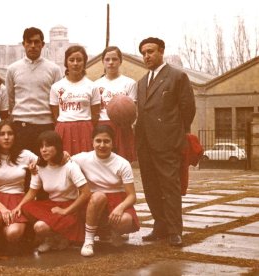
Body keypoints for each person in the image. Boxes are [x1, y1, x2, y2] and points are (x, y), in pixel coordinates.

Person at [135, 37, 195, 246]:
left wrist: (175, 135)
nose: (146, 56)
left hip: (168, 143)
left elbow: (188, 109)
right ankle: (159, 226)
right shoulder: (142, 82)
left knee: (170, 187)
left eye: (150, 51)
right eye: (143, 53)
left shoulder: (177, 77)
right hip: (145, 145)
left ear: (161, 52)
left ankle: (174, 230)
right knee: (151, 187)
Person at [14, 130, 91, 253]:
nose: (43, 149)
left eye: (48, 145)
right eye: (41, 146)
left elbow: (86, 193)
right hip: (51, 206)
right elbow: (32, 192)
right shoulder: (39, 167)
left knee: (39, 227)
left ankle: (59, 237)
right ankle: (53, 238)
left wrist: (66, 211)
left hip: (70, 208)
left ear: (58, 146)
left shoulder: (70, 166)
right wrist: (18, 206)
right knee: (26, 206)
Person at [72, 125, 140, 257]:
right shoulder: (82, 158)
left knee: (125, 220)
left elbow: (132, 196)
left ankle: (112, 233)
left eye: (106, 141)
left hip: (117, 201)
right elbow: (63, 160)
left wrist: (120, 208)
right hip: (94, 202)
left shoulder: (122, 163)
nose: (102, 145)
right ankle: (89, 240)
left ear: (113, 143)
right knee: (98, 196)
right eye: (98, 141)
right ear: (92, 142)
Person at [0, 120, 38, 255]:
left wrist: (64, 155)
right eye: (2, 134)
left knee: (13, 234)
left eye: (10, 134)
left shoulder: (26, 155)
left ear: (15, 136)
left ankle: (6, 240)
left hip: (18, 200)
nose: (6, 137)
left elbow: (48, 160)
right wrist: (2, 209)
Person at [6, 27, 62, 155]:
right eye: (29, 42)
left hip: (46, 126)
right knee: (22, 166)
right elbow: (10, 99)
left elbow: (58, 99)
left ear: (42, 45)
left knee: (45, 164)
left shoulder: (54, 69)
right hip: (21, 126)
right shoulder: (13, 69)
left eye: (37, 42)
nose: (33, 46)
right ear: (23, 44)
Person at [50, 45, 101, 155]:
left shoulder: (92, 86)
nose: (75, 63)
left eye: (79, 60)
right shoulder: (56, 87)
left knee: (86, 164)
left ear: (84, 62)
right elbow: (55, 114)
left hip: (85, 129)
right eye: (71, 60)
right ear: (66, 62)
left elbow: (95, 114)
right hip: (63, 128)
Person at [94, 46, 137, 162]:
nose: (111, 63)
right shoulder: (95, 85)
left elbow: (132, 110)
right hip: (103, 125)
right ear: (102, 62)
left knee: (122, 162)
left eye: (115, 59)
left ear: (120, 61)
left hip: (122, 126)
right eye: (107, 59)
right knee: (103, 162)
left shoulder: (130, 83)